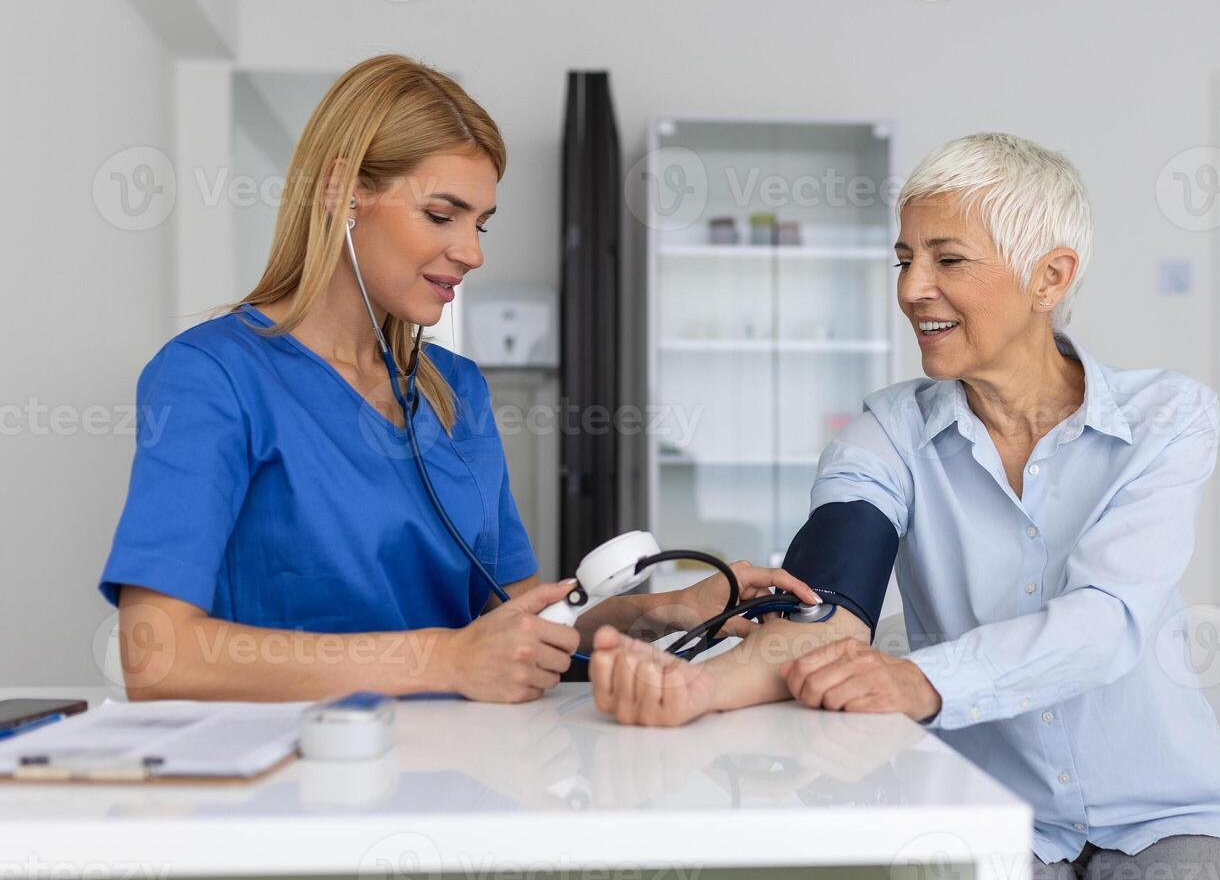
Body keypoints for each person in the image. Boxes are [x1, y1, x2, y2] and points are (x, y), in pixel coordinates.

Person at [587, 133, 1220, 880]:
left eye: (948, 260)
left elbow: (1110, 621)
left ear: (1049, 277)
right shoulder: (887, 432)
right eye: (903, 259)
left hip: (1182, 821)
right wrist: (697, 691)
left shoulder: (1168, 416)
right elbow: (825, 609)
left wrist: (920, 682)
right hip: (999, 822)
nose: (913, 289)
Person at [98, 54, 815, 704]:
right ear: (342, 192)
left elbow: (519, 622)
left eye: (482, 223)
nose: (470, 252)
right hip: (292, 785)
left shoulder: (456, 392)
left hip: (461, 779)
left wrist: (666, 609)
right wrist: (444, 659)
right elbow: (157, 658)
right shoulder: (212, 376)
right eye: (442, 215)